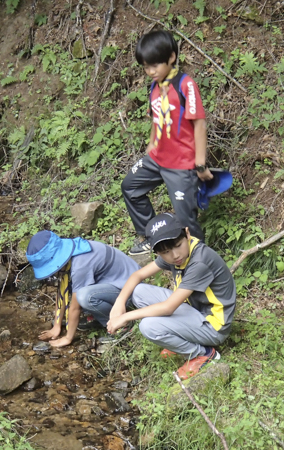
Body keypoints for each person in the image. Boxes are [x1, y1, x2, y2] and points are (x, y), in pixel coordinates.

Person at [107, 213, 236, 380]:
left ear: (187, 234)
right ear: (159, 253)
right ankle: (181, 338)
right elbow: (137, 275)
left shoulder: (200, 262)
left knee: (148, 326)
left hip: (214, 327)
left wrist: (126, 316)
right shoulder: (175, 255)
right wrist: (119, 303)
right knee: (138, 292)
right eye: (166, 252)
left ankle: (203, 354)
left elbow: (169, 308)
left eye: (178, 245)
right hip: (195, 312)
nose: (175, 255)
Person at [122, 30, 213, 256]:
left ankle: (199, 261)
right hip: (157, 159)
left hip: (181, 164)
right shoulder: (155, 85)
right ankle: (151, 236)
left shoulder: (185, 84)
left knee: (185, 220)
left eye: (154, 65)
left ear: (171, 57)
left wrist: (200, 164)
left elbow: (199, 125)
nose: (150, 71)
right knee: (130, 188)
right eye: (145, 67)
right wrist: (151, 143)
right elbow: (156, 116)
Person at [26, 230, 140, 348]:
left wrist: (68, 338)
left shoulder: (80, 266)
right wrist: (56, 326)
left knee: (84, 297)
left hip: (131, 292)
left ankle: (121, 325)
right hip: (116, 284)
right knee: (75, 288)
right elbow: (61, 291)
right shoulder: (73, 250)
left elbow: (75, 307)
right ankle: (98, 317)